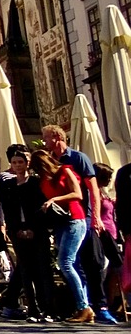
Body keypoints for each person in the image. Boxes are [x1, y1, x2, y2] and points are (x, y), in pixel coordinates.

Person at [44, 124, 116, 323]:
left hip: (83, 216)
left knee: (92, 262)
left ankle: (100, 306)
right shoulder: (51, 161)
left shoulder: (77, 158)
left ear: (58, 137)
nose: (44, 142)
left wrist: (96, 217)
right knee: (73, 264)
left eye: (47, 138)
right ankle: (82, 306)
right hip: (62, 220)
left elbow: (93, 189)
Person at [33, 147, 91, 322]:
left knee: (65, 262)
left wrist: (53, 200)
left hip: (74, 218)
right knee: (68, 264)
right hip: (60, 223)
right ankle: (82, 306)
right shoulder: (43, 179)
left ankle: (84, 307)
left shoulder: (65, 171)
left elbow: (77, 194)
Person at [0, 144, 50, 321]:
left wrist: (32, 229)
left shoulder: (35, 182)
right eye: (14, 162)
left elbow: (40, 209)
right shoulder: (8, 184)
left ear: (27, 163)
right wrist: (14, 229)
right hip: (17, 232)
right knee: (25, 270)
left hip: (37, 231)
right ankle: (32, 308)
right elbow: (5, 208)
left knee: (41, 269)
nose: (18, 165)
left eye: (21, 162)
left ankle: (47, 308)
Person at [94, 163, 122, 317]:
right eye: (108, 177)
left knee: (112, 272)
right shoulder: (94, 193)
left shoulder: (103, 192)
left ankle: (111, 304)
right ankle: (101, 303)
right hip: (103, 236)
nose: (110, 180)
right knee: (103, 269)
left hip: (112, 235)